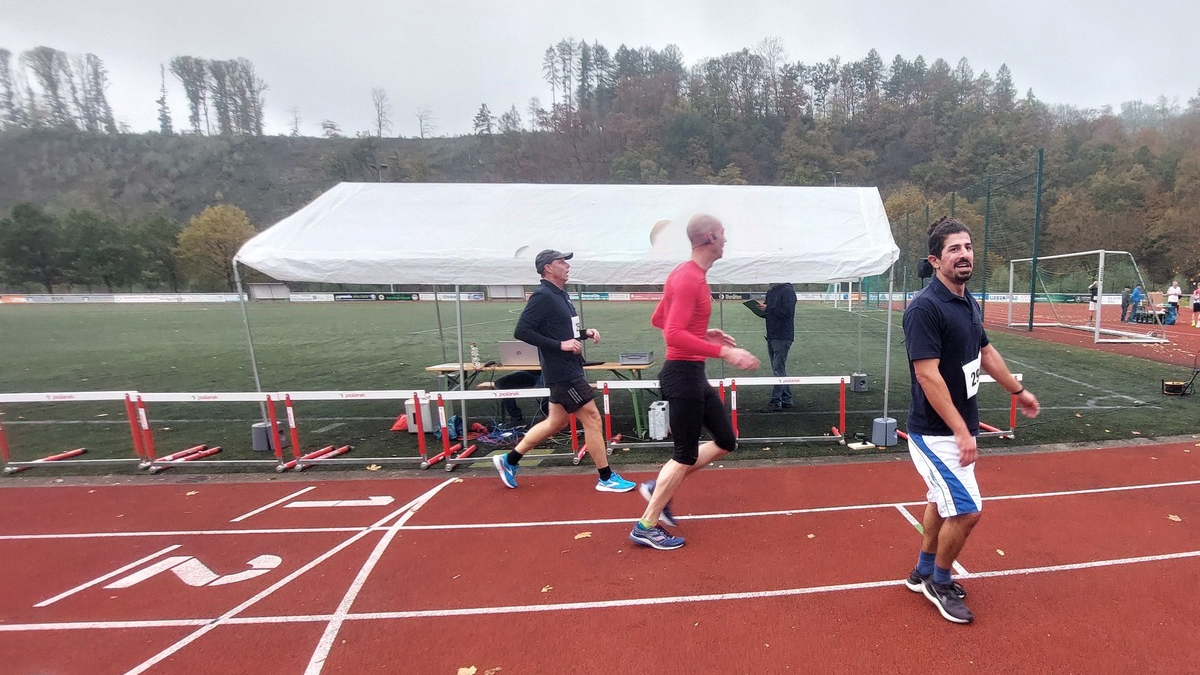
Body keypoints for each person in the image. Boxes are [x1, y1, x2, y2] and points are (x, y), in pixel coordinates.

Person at [901, 216, 1040, 624]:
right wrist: (962, 431)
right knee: (967, 510)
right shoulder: (924, 308)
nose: (964, 255)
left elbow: (986, 352)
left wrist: (1017, 390)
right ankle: (940, 582)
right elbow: (927, 376)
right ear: (935, 260)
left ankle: (923, 572)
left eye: (968, 247)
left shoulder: (967, 300)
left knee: (939, 501)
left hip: (958, 428)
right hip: (934, 433)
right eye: (954, 249)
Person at [630, 214, 761, 550]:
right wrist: (725, 352)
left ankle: (658, 486)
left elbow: (658, 318)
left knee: (725, 440)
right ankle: (646, 525)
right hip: (682, 375)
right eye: (723, 234)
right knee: (684, 455)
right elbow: (672, 333)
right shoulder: (688, 278)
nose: (726, 239)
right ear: (709, 237)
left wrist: (703, 332)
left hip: (692, 374)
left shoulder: (688, 275)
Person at [491, 250, 635, 493]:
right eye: (561, 262)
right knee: (592, 418)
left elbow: (564, 330)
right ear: (548, 268)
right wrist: (560, 345)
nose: (567, 266)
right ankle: (606, 477)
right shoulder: (542, 295)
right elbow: (522, 331)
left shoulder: (561, 295)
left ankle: (510, 460)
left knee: (556, 421)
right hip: (562, 372)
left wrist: (584, 333)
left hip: (568, 368)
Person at [757, 282, 797, 412]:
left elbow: (788, 312)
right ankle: (786, 398)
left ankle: (776, 401)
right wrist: (761, 309)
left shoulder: (787, 291)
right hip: (772, 334)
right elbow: (769, 311)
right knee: (779, 369)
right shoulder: (771, 292)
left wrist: (768, 308)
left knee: (778, 369)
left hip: (782, 335)